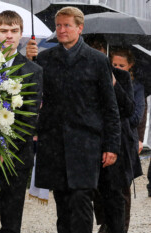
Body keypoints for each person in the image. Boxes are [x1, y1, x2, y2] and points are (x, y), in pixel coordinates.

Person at [32, 7, 120, 233]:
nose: (61, 30)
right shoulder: (44, 59)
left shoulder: (97, 60)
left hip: (86, 144)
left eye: (67, 25)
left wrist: (112, 145)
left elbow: (110, 107)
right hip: (55, 143)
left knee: (81, 201)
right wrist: (29, 61)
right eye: (58, 25)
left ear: (80, 28)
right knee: (62, 206)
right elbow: (32, 95)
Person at [0, 10, 43, 233]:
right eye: (4, 30)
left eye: (14, 31)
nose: (9, 35)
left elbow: (30, 117)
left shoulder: (33, 71)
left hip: (16, 156)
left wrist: (5, 150)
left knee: (11, 219)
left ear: (21, 34)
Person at [84, 36, 135, 233]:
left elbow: (129, 109)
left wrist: (114, 82)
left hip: (114, 142)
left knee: (115, 194)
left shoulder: (120, 77)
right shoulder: (79, 75)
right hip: (88, 142)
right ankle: (104, 224)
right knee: (92, 194)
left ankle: (115, 227)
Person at [110, 48, 144, 233]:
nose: (117, 68)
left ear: (130, 66)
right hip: (109, 140)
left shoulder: (137, 87)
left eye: (121, 65)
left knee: (122, 191)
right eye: (114, 65)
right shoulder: (103, 80)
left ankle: (121, 227)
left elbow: (135, 117)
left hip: (125, 142)